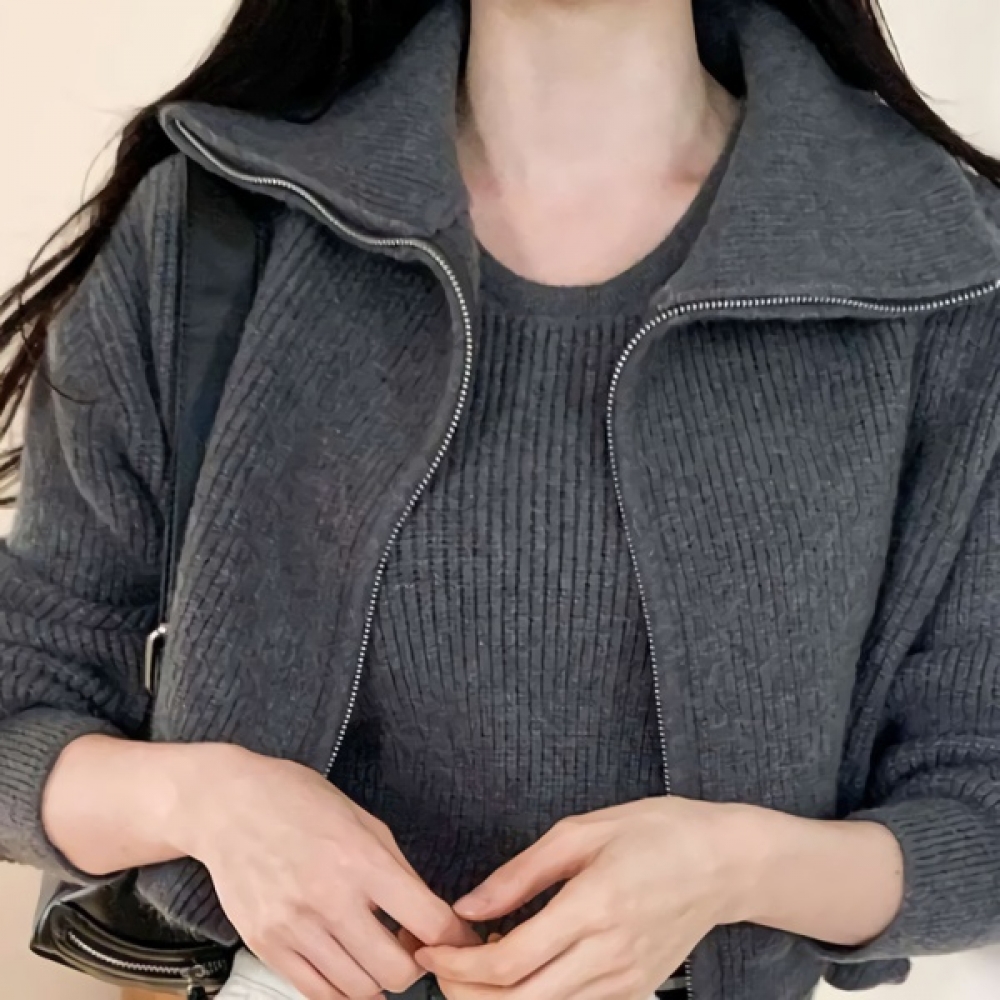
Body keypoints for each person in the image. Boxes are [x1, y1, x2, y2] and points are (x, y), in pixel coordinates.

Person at [2, 0, 1000, 997]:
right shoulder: (212, 227)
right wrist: (206, 803)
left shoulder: (940, 265)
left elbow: (977, 805)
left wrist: (731, 868)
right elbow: (22, 702)